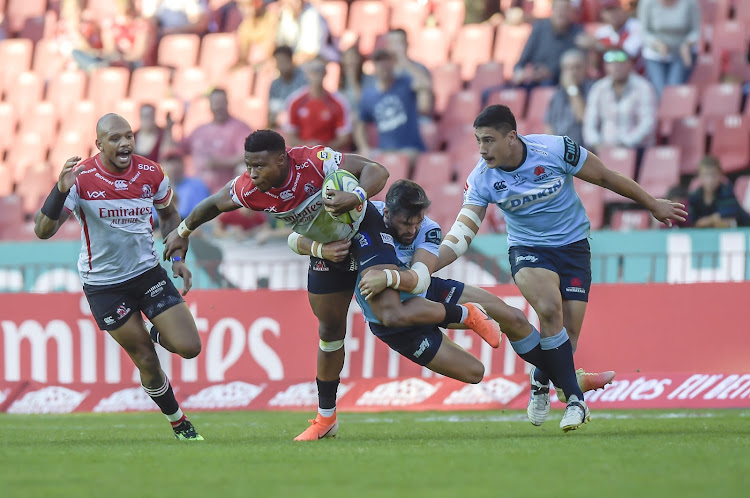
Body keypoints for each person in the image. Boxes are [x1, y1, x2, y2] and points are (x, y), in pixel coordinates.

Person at [160, 130, 500, 441]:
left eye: (259, 165)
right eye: (248, 165)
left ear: (282, 159)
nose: (252, 173)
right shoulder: (251, 190)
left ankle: (462, 313)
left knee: (390, 311)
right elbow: (215, 203)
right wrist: (183, 232)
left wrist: (356, 198)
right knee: (330, 331)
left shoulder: (313, 161)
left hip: (364, 230)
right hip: (328, 250)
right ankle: (326, 419)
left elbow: (377, 171)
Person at [435, 105, 687, 431]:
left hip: (573, 247)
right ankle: (575, 401)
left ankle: (540, 378)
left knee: (569, 338)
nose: (482, 149)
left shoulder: (555, 150)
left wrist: (653, 203)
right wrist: (427, 266)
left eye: (488, 140)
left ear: (511, 137)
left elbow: (606, 176)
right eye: (478, 141)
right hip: (528, 250)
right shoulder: (481, 178)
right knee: (549, 309)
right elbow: (463, 233)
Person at [299, 179, 615, 396]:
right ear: (387, 214)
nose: (412, 229)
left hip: (425, 292)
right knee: (474, 372)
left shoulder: (428, 229)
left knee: (512, 316)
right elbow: (296, 239)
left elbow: (421, 278)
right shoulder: (365, 218)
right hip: (395, 321)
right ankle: (467, 316)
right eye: (405, 223)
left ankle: (566, 381)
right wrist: (321, 251)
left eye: (417, 221)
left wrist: (390, 277)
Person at [32, 113, 203, 441]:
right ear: (99, 144)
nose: (125, 143)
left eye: (128, 136)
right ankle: (178, 421)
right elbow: (42, 230)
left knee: (190, 346)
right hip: (104, 285)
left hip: (147, 273)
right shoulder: (81, 180)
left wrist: (179, 257)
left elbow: (169, 216)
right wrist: (58, 190)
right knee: (147, 362)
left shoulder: (151, 172)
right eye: (115, 138)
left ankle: (154, 331)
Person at [171, 88, 253, 193]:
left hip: (224, 192)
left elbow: (248, 156)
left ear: (227, 103)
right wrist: (170, 128)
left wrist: (219, 162)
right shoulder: (199, 130)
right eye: (215, 103)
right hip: (195, 190)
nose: (218, 107)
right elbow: (176, 149)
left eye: (221, 103)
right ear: (210, 105)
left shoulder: (240, 128)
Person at [354, 49, 428, 159]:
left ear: (392, 64)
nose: (383, 67)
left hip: (410, 148)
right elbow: (360, 124)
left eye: (386, 62)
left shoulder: (405, 83)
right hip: (385, 150)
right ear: (374, 67)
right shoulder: (368, 95)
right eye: (379, 63)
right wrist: (364, 147)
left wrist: (404, 61)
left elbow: (425, 84)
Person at [582, 49, 657, 155]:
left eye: (621, 63)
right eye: (611, 63)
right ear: (605, 66)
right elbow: (590, 122)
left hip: (637, 149)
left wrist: (625, 143)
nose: (616, 67)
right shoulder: (598, 88)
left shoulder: (644, 87)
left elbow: (648, 123)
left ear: (630, 64)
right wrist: (596, 143)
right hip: (604, 149)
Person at [509, 0, 582, 90]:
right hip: (533, 77)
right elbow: (523, 59)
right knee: (492, 93)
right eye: (558, 9)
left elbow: (575, 67)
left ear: (571, 12)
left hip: (557, 82)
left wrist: (550, 72)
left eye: (565, 9)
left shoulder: (577, 32)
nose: (561, 13)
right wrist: (519, 72)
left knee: (547, 85)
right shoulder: (539, 27)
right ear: (552, 10)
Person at [283, 57, 352, 150]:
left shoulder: (338, 102)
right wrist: (308, 148)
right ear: (306, 73)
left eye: (320, 70)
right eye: (313, 70)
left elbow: (344, 136)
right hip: (303, 155)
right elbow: (291, 135)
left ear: (325, 73)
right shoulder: (295, 101)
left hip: (330, 154)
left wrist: (322, 149)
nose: (317, 74)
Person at [638, 0, 700, 98]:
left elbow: (696, 31)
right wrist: (656, 44)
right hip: (655, 54)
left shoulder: (689, 2)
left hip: (681, 53)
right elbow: (644, 31)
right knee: (660, 91)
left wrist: (687, 43)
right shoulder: (647, 3)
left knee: (673, 90)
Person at [544, 49, 593, 146]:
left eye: (577, 67)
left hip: (582, 150)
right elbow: (549, 126)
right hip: (559, 149)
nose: (572, 72)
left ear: (586, 68)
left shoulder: (593, 89)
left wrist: (572, 88)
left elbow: (584, 118)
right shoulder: (558, 93)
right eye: (567, 68)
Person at [688, 156, 749, 228]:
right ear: (699, 176)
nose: (710, 180)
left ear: (720, 175)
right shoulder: (695, 196)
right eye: (706, 175)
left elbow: (727, 217)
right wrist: (713, 219)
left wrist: (707, 221)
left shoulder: (727, 192)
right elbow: (692, 221)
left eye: (714, 175)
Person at [384, 29, 434, 118]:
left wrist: (404, 61)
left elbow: (427, 85)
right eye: (393, 43)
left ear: (407, 44)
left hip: (415, 117)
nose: (396, 47)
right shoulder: (384, 70)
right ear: (387, 46)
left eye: (400, 42)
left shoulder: (419, 68)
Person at [160, 148, 210, 219]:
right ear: (161, 165)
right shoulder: (155, 189)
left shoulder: (197, 185)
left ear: (184, 164)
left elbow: (202, 215)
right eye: (170, 162)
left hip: (191, 226)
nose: (174, 166)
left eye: (178, 161)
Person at [268, 45, 308, 128]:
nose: (281, 66)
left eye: (283, 61)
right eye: (278, 62)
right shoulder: (275, 84)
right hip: (281, 127)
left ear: (291, 60)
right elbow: (272, 114)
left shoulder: (305, 81)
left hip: (301, 126)